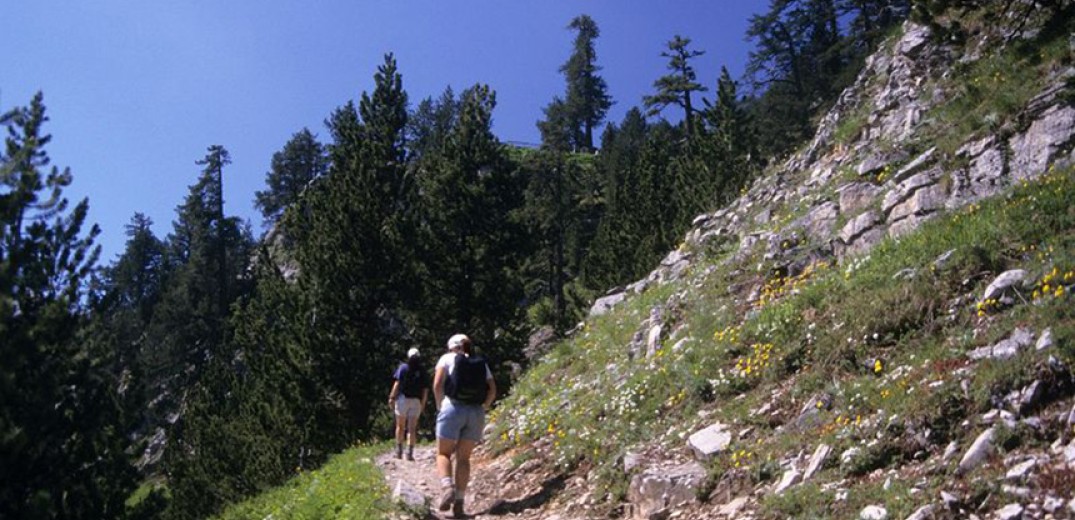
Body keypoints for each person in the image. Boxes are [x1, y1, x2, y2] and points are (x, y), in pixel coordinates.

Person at [433, 333, 496, 518]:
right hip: (475, 412)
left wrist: (439, 406)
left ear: (450, 346)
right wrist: (484, 406)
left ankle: (447, 487)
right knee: (464, 459)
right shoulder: (479, 362)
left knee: (443, 453)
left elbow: (437, 384)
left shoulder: (447, 358)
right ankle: (459, 503)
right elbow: (492, 389)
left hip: (452, 407)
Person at [388, 347, 428, 461]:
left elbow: (397, 383)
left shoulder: (403, 368)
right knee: (412, 428)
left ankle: (399, 451)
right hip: (416, 401)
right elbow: (425, 389)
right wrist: (423, 403)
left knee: (400, 426)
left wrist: (391, 397)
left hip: (402, 399)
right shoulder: (422, 370)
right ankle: (409, 453)